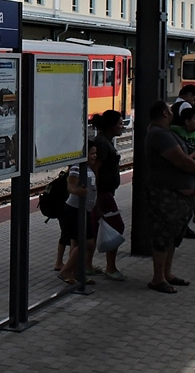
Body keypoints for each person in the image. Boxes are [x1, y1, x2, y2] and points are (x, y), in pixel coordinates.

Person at [144, 100, 195, 294]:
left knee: (172, 236)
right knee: (164, 235)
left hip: (178, 195)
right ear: (164, 113)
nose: (173, 113)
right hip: (166, 195)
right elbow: (179, 160)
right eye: (170, 110)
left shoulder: (164, 132)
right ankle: (158, 278)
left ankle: (167, 274)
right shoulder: (159, 135)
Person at [89, 110, 126, 280]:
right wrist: (95, 195)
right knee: (116, 226)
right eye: (120, 123)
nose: (122, 126)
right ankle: (110, 267)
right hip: (102, 194)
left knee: (93, 229)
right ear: (111, 125)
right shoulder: (103, 144)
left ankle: (87, 265)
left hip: (104, 192)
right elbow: (95, 168)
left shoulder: (105, 140)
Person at [58, 144, 98, 285]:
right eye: (92, 153)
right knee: (87, 242)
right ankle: (67, 270)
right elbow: (71, 186)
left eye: (95, 153)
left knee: (80, 242)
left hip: (83, 210)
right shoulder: (77, 167)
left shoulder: (87, 168)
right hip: (75, 209)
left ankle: (77, 272)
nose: (94, 156)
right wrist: (78, 192)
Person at [171, 106, 195, 235]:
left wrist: (188, 158)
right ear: (187, 121)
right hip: (186, 161)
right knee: (189, 187)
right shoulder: (178, 130)